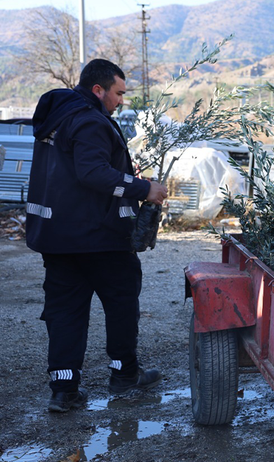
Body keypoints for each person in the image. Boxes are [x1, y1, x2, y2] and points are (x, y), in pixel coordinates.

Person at [27, 58, 169, 413]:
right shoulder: (90, 120)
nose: (121, 100)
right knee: (121, 303)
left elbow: (75, 172)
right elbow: (91, 172)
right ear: (98, 89)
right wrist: (143, 188)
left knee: (65, 312)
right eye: (118, 93)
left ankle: (64, 390)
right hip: (99, 237)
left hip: (58, 238)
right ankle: (124, 374)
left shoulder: (58, 119)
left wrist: (120, 170)